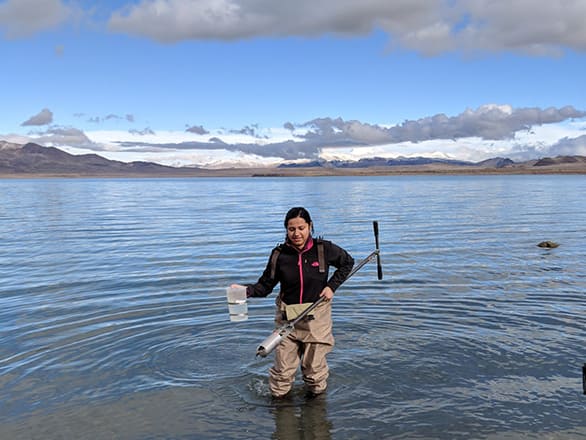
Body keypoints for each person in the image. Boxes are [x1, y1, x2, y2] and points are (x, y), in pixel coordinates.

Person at [232, 207, 354, 398]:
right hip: (286, 322)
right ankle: (281, 416)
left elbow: (348, 263)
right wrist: (245, 290)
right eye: (291, 229)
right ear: (286, 230)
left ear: (310, 226)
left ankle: (316, 414)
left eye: (301, 228)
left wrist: (331, 286)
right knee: (281, 374)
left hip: (317, 321)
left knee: (314, 373)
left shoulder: (324, 249)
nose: (296, 233)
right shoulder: (279, 255)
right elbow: (265, 286)